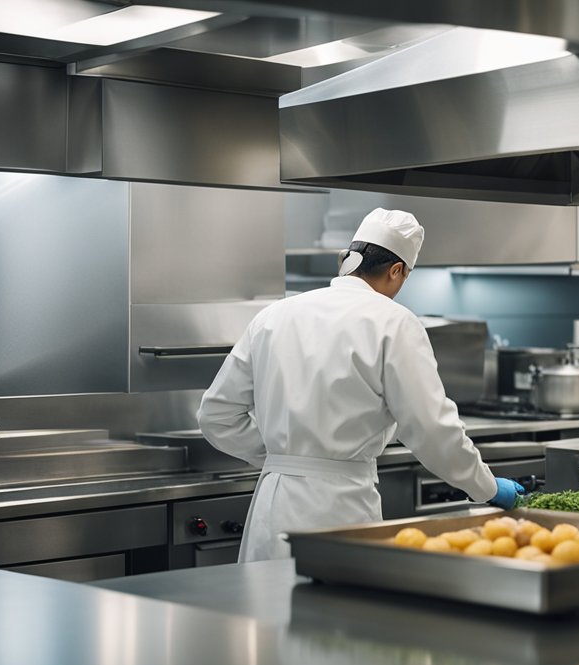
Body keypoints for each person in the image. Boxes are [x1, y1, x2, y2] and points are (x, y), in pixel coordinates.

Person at [197, 208, 524, 563]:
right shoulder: (393, 321)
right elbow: (432, 429)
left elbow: (216, 415)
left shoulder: (274, 316)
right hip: (340, 506)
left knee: (268, 611)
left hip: (273, 502)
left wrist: (284, 455)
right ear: (396, 270)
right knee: (335, 614)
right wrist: (486, 487)